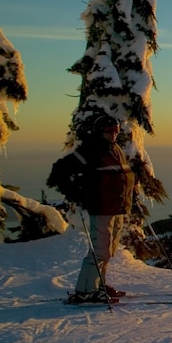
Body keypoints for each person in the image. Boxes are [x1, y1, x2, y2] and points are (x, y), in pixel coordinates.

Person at [47, 114, 136, 304]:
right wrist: (75, 191)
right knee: (100, 251)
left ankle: (98, 286)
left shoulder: (114, 149)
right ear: (99, 131)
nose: (113, 134)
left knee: (108, 251)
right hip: (102, 207)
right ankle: (86, 291)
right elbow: (59, 171)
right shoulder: (90, 150)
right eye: (109, 131)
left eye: (116, 130)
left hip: (117, 207)